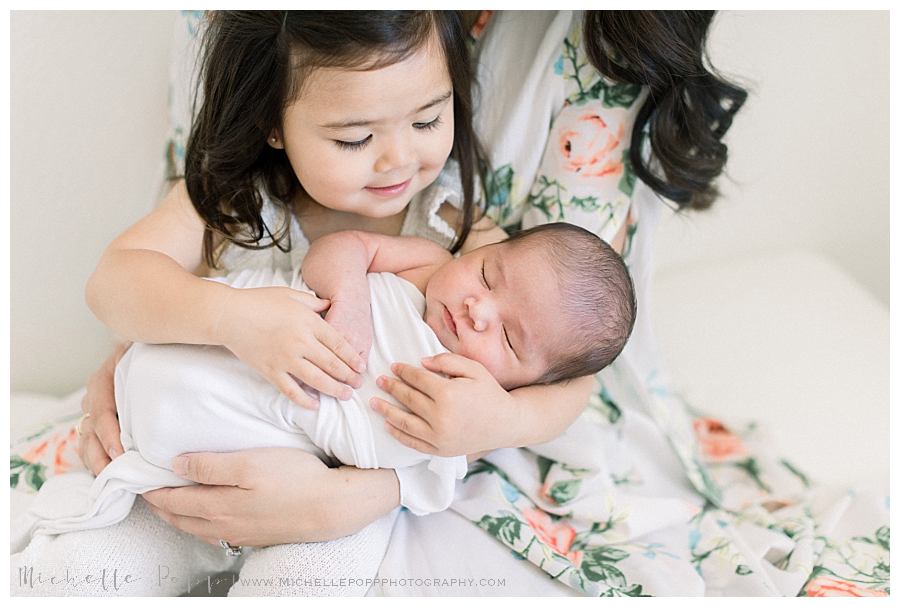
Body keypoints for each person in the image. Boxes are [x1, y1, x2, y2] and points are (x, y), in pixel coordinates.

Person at [69, 10, 888, 598]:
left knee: (324, 571)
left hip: (340, 491)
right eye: (353, 138)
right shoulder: (235, 197)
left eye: (430, 118)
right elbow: (116, 283)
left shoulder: (457, 229)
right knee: (90, 566)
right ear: (275, 125)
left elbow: (564, 373)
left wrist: (487, 426)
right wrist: (227, 319)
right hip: (184, 455)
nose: (400, 158)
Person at [14, 223, 636, 596]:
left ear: (521, 382)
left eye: (508, 338)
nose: (478, 309)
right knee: (75, 573)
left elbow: (426, 477)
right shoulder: (429, 267)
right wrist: (351, 299)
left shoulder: (467, 403)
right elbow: (346, 247)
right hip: (165, 417)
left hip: (299, 483)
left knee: (320, 571)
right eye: (488, 276)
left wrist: (487, 426)